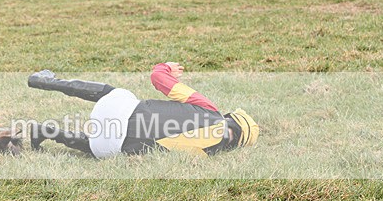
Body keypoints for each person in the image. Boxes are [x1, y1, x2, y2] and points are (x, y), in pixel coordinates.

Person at [27, 62, 258, 158]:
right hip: (105, 147)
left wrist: (165, 66)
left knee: (111, 92)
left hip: (116, 109)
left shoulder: (210, 110)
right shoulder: (207, 154)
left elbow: (157, 77)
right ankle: (48, 133)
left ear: (229, 117)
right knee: (106, 145)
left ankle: (44, 81)